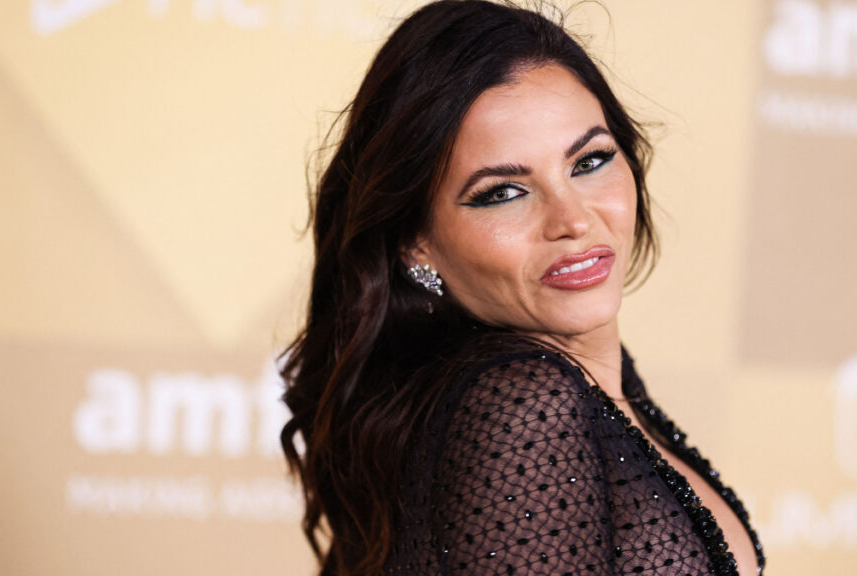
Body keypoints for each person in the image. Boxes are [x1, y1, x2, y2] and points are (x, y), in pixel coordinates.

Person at [277, 1, 765, 575]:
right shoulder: (523, 408)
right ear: (417, 243)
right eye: (502, 192)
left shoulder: (593, 384)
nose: (573, 219)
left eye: (590, 160)